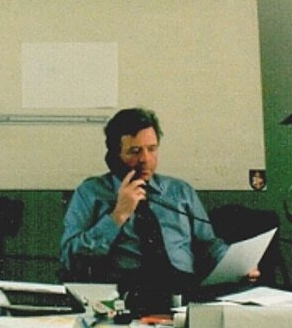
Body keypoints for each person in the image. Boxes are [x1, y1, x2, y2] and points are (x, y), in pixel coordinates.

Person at [59, 107, 257, 308]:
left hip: (184, 292)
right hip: (125, 294)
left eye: (152, 149)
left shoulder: (180, 191)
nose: (145, 159)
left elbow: (208, 244)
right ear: (115, 155)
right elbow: (70, 257)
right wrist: (118, 215)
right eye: (134, 151)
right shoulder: (91, 193)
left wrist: (237, 265)